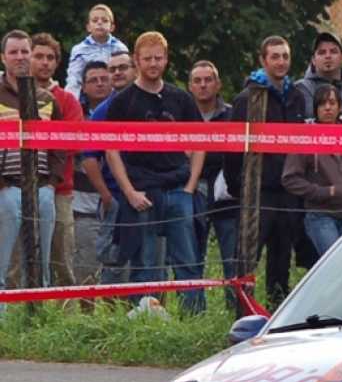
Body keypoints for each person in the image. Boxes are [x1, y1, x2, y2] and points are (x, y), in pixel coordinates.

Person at [104, 31, 206, 313]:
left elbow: (201, 142)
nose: (153, 63)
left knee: (187, 259)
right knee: (145, 262)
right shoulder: (123, 102)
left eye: (158, 58)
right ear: (136, 60)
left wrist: (190, 186)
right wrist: (128, 191)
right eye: (147, 58)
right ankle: (144, 319)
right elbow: (111, 150)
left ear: (166, 60)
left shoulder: (181, 99)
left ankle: (194, 318)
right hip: (141, 188)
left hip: (177, 186)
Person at [224, 35, 306, 309]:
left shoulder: (297, 96)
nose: (281, 62)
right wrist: (238, 186)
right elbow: (233, 149)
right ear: (263, 60)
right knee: (248, 256)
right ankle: (242, 313)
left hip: (289, 190)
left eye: (285, 56)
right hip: (257, 189)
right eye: (275, 56)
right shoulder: (247, 98)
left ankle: (277, 313)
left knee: (282, 259)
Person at [0, 30, 64, 294]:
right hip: (6, 186)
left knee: (41, 261)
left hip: (42, 187)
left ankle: (40, 317)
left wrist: (51, 183)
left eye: (25, 51)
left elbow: (61, 143)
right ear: (3, 58)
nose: (20, 57)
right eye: (13, 52)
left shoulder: (48, 100)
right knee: (3, 262)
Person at [20, 33, 82, 290]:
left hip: (59, 189)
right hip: (16, 186)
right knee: (16, 257)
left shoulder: (66, 100)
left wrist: (51, 178)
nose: (45, 62)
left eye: (51, 58)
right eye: (39, 56)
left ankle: (65, 319)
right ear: (29, 58)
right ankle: (15, 318)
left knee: (61, 259)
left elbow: (73, 142)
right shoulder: (12, 95)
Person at [282, 85, 342, 259]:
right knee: (336, 263)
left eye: (332, 103)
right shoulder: (305, 137)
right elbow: (289, 178)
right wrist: (323, 192)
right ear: (315, 109)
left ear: (340, 107)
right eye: (322, 104)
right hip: (321, 215)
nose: (327, 108)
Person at [75, 51, 135, 286]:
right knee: (113, 263)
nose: (118, 73)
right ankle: (114, 318)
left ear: (134, 69)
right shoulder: (103, 111)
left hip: (152, 191)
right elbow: (88, 158)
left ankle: (147, 313)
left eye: (123, 67)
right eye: (113, 69)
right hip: (116, 197)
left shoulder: (152, 101)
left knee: (150, 261)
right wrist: (106, 195)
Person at [188, 60, 238, 294]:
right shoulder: (183, 115)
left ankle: (235, 308)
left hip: (225, 191)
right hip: (193, 188)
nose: (203, 85)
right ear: (190, 86)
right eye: (197, 81)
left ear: (218, 84)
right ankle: (193, 310)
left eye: (208, 80)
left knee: (232, 259)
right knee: (193, 256)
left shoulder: (232, 115)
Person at [65, 3, 129, 99]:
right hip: (87, 99)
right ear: (88, 27)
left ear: (112, 27)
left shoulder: (120, 48)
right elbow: (74, 79)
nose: (99, 23)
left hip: (115, 97)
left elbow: (126, 78)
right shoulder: (79, 50)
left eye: (105, 20)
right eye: (95, 20)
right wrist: (71, 102)